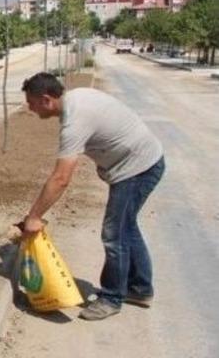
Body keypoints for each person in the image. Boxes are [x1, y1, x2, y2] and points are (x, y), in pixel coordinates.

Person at [19, 72, 164, 321]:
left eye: (31, 102)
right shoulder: (77, 97)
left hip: (137, 169)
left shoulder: (74, 122)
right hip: (143, 161)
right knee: (126, 228)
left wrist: (34, 217)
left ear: (46, 99)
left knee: (114, 234)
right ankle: (140, 289)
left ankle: (112, 298)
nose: (30, 108)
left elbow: (61, 178)